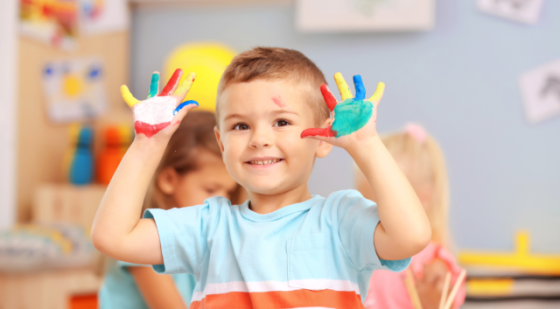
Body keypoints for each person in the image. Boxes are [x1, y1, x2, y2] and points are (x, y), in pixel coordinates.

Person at [92, 47, 432, 308]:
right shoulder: (209, 226)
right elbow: (113, 238)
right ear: (221, 142)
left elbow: (412, 236)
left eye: (281, 122)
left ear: (321, 138)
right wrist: (147, 145)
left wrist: (366, 145)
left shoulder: (341, 220)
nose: (259, 139)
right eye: (241, 126)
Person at [98, 111, 239, 309]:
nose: (223, 200)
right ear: (169, 180)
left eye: (229, 191)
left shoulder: (200, 235)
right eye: (211, 189)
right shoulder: (141, 242)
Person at [358, 124, 465, 309]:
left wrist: (431, 302)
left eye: (379, 206)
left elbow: (442, 301)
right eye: (360, 202)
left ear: (424, 198)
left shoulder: (431, 264)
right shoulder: (360, 250)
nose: (366, 215)